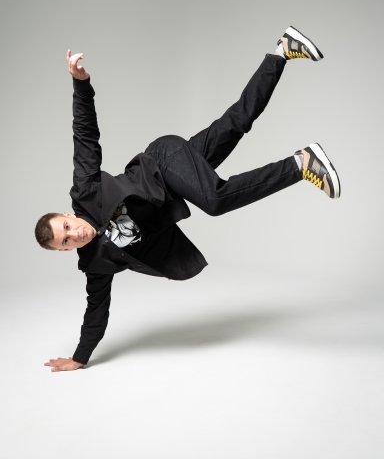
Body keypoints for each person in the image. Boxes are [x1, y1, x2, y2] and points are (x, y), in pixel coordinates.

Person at [36, 26, 340, 372]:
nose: (74, 234)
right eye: (65, 241)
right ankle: (282, 51)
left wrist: (81, 85)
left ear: (67, 215)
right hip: (180, 184)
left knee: (216, 200)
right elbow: (96, 310)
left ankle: (301, 164)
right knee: (238, 121)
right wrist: (80, 357)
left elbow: (85, 137)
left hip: (164, 161)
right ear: (65, 251)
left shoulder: (85, 191)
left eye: (66, 227)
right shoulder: (96, 262)